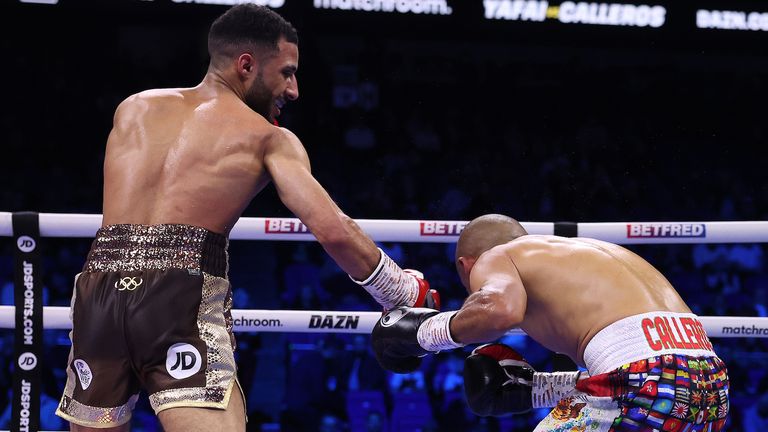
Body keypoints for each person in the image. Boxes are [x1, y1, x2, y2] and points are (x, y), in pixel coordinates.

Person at [54, 5, 438, 432]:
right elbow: (333, 230)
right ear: (246, 65)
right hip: (178, 293)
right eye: (287, 72)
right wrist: (400, 288)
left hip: (99, 289)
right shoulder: (268, 138)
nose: (293, 90)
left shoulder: (135, 108)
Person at [372, 214, 730, 431]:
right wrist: (539, 388)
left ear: (465, 265)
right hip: (709, 389)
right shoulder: (588, 256)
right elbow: (638, 365)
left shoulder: (498, 257)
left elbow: (499, 309)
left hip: (647, 382)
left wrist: (423, 334)